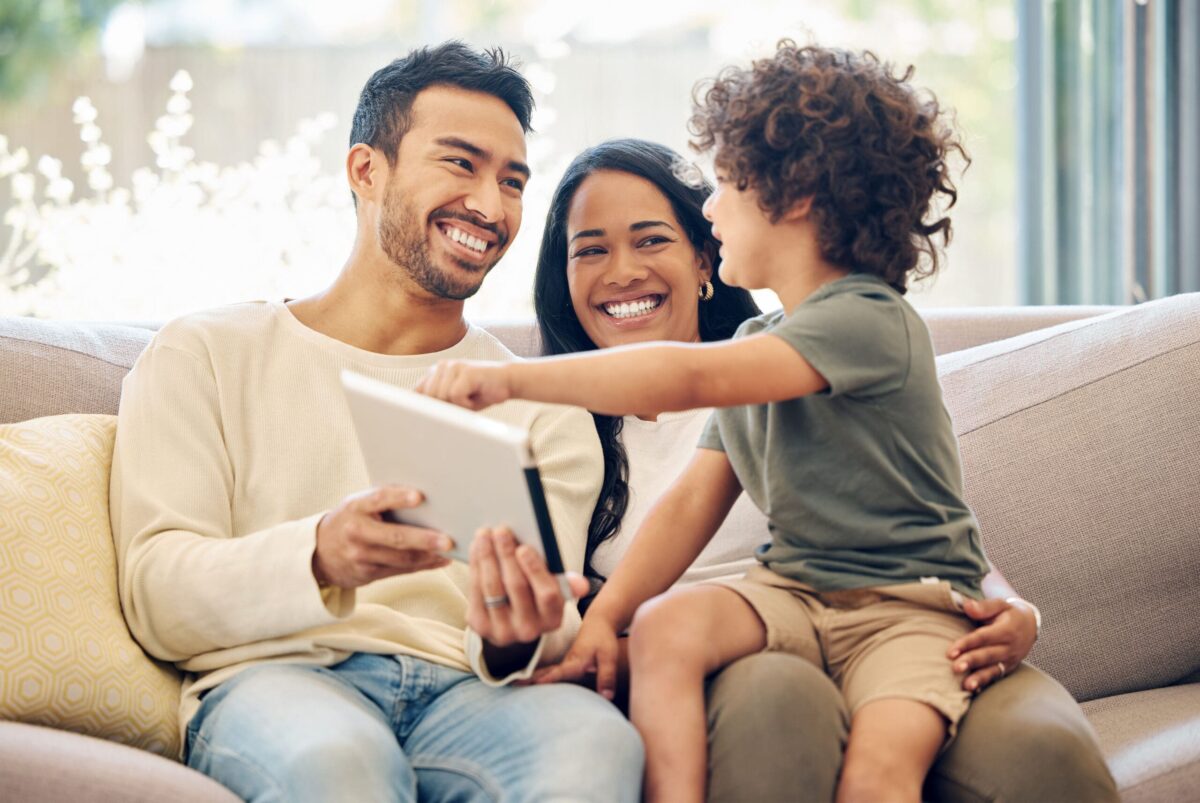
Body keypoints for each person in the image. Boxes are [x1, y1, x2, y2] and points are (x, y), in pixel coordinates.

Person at [417, 44, 1114, 803]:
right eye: (594, 250)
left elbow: (688, 377)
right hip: (797, 590)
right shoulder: (753, 353)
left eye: (722, 187)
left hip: (904, 606)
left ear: (798, 196)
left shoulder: (865, 322)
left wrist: (506, 378)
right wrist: (604, 619)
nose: (711, 210)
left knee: (879, 776)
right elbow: (692, 500)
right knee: (665, 629)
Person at [110, 42, 643, 802]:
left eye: (512, 181)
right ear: (367, 170)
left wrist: (516, 627)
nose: (491, 208)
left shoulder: (544, 400)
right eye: (461, 164)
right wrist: (319, 554)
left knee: (595, 746)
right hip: (279, 678)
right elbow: (155, 591)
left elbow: (544, 623)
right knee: (338, 764)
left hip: (475, 694)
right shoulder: (205, 353)